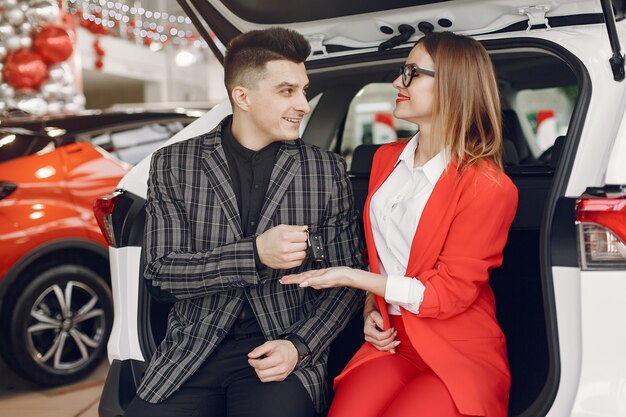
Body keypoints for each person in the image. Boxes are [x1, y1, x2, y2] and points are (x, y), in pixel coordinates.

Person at [123, 27, 364, 417]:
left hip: (280, 350)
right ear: (242, 96)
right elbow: (160, 273)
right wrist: (254, 254)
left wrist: (300, 346)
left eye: (304, 90)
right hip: (192, 351)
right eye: (287, 91)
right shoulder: (174, 163)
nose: (303, 104)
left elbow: (348, 280)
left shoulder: (325, 169)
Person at [281, 31, 518, 417]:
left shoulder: (488, 187)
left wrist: (352, 278)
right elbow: (387, 257)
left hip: (456, 349)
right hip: (391, 340)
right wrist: (370, 307)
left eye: (411, 73)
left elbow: (447, 295)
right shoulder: (385, 159)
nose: (396, 82)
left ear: (453, 85)